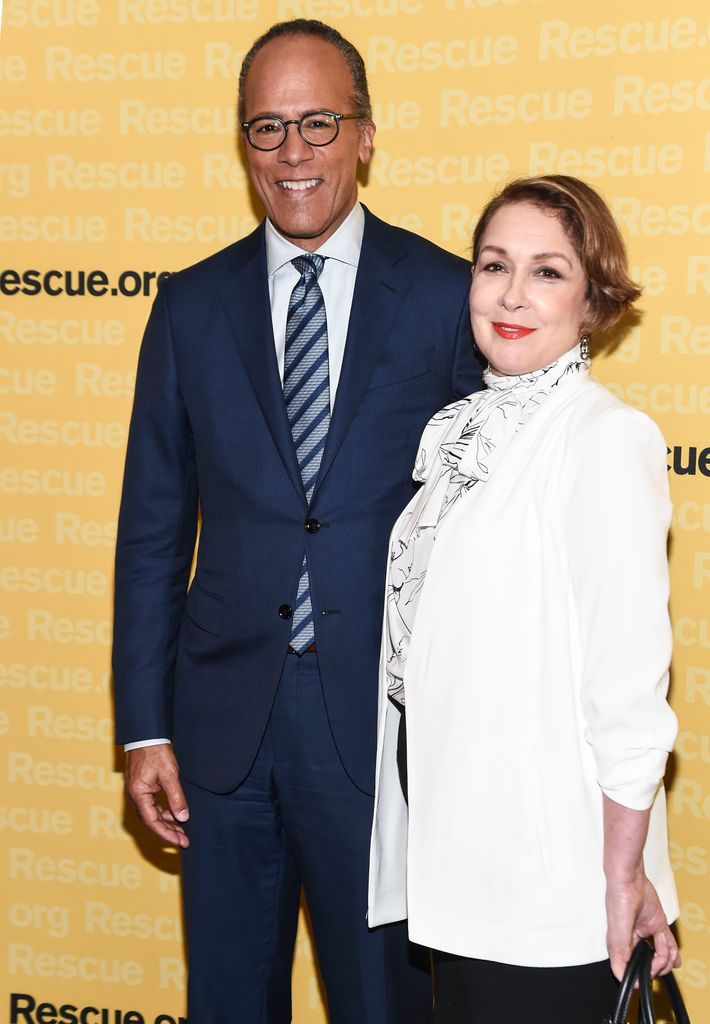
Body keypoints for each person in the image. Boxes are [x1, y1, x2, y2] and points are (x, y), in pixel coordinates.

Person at [112, 17, 482, 1024]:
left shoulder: (450, 296)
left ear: (366, 134)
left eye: (318, 122)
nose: (292, 152)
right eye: (266, 127)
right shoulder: (188, 306)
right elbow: (152, 530)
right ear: (242, 144)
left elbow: (482, 531)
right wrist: (143, 726)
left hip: (380, 732)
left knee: (381, 1006)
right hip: (219, 737)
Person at [368, 175, 680, 1023]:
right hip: (463, 869)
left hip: (549, 891)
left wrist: (624, 876)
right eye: (493, 264)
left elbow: (628, 697)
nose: (511, 294)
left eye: (547, 272)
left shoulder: (604, 439)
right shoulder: (467, 434)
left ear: (593, 301)